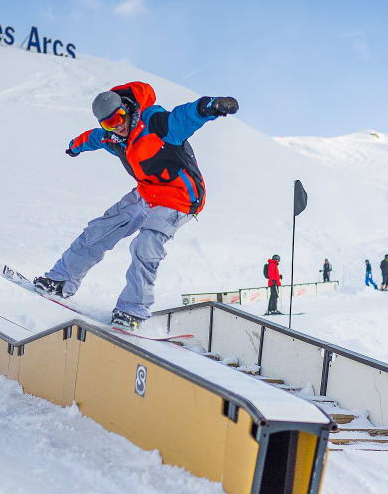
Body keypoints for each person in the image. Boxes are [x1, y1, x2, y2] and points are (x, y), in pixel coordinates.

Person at [32, 82, 239, 329]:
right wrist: (76, 146)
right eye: (109, 123)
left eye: (119, 117)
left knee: (145, 244)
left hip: (180, 197)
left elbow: (185, 116)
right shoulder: (114, 138)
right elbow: (93, 138)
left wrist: (210, 106)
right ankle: (61, 280)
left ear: (127, 109)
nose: (117, 125)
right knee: (99, 230)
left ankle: (133, 309)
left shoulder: (156, 123)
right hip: (146, 192)